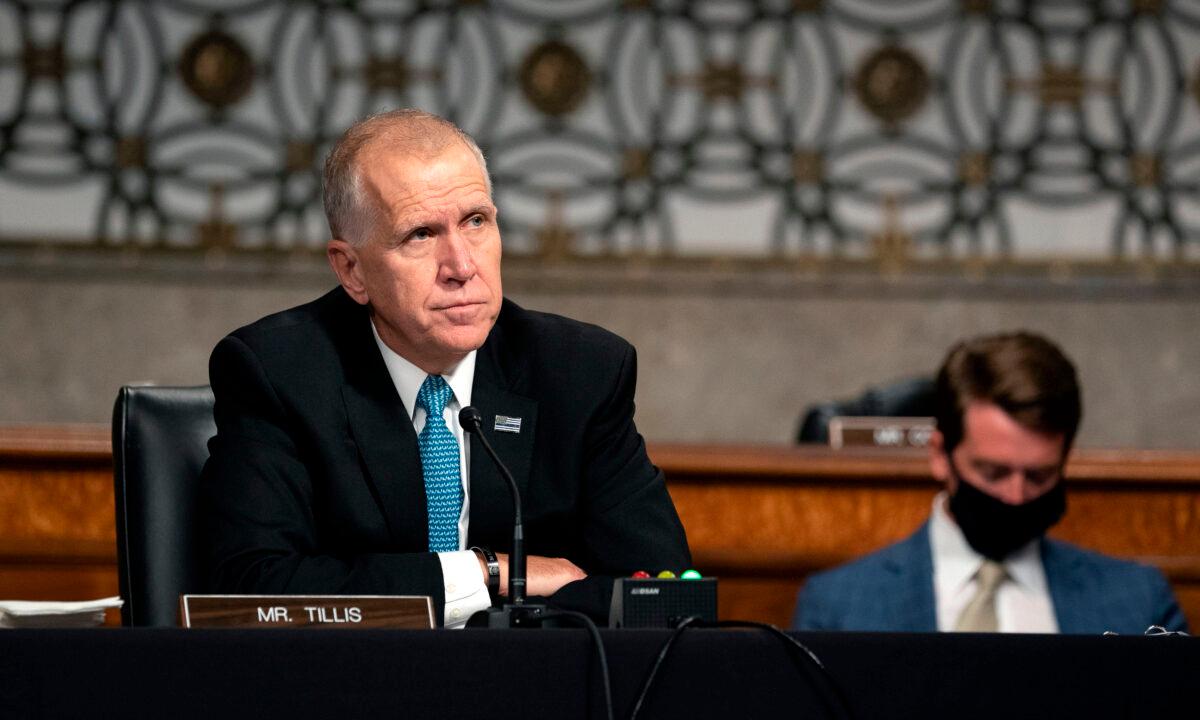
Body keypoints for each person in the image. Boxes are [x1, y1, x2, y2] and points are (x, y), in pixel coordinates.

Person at [199, 109, 691, 627]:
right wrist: (484, 572)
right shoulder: (278, 373)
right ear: (352, 269)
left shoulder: (580, 372)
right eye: (420, 235)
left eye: (476, 222)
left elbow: (661, 596)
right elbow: (249, 593)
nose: (461, 266)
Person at [792, 331, 1187, 634]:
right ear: (940, 456)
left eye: (1038, 475)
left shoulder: (1138, 605)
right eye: (993, 473)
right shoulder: (839, 607)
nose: (1015, 497)